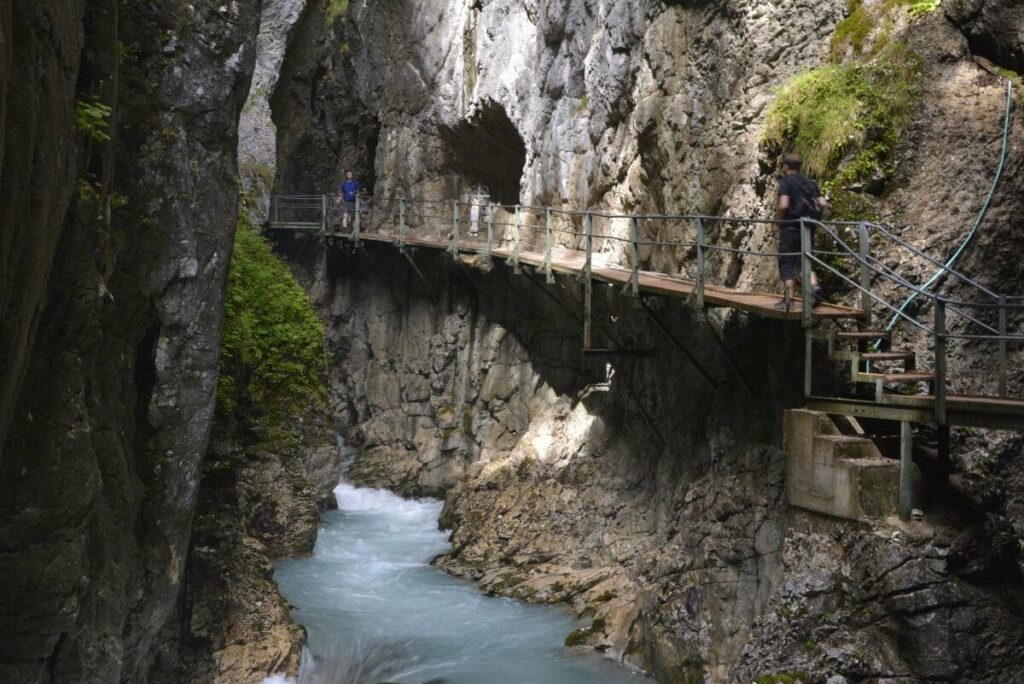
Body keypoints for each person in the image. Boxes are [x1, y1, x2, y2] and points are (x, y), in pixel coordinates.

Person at [774, 153, 831, 311]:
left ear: (786, 167)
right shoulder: (810, 182)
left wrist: (778, 220)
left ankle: (788, 300)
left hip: (791, 227)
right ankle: (815, 287)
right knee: (805, 259)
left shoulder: (786, 182)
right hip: (808, 228)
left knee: (787, 262)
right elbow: (823, 203)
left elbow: (784, 205)